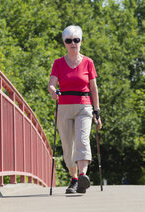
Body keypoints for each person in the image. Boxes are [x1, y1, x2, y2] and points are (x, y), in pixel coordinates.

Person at [48, 25, 102, 194]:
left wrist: (97, 110)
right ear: (64, 43)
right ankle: (74, 179)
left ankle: (83, 175)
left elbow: (94, 88)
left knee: (82, 139)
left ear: (80, 41)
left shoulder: (88, 62)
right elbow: (51, 84)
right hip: (64, 106)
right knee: (67, 146)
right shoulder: (58, 63)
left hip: (84, 106)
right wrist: (52, 91)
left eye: (76, 40)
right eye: (69, 41)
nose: (73, 44)